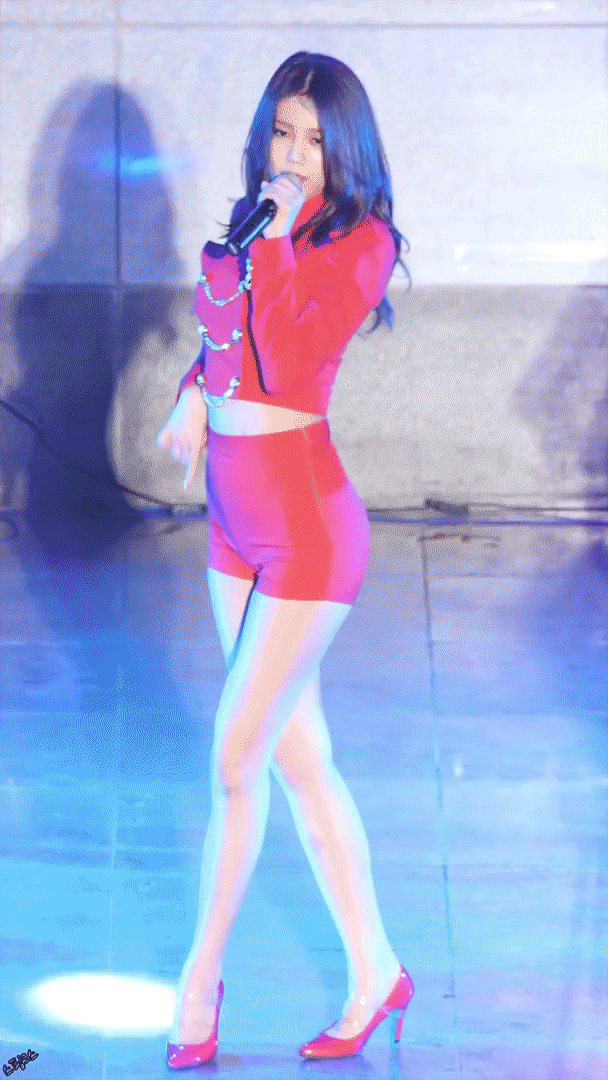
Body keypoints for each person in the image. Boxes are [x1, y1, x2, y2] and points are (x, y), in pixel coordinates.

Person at [157, 51, 413, 1067]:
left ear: (343, 150)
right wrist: (191, 392)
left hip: (307, 529)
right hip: (232, 520)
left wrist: (268, 242)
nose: (295, 156)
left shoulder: (361, 241)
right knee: (302, 765)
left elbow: (294, 354)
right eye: (283, 133)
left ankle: (198, 983)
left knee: (235, 756)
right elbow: (228, 343)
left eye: (314, 140)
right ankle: (376, 973)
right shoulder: (255, 221)